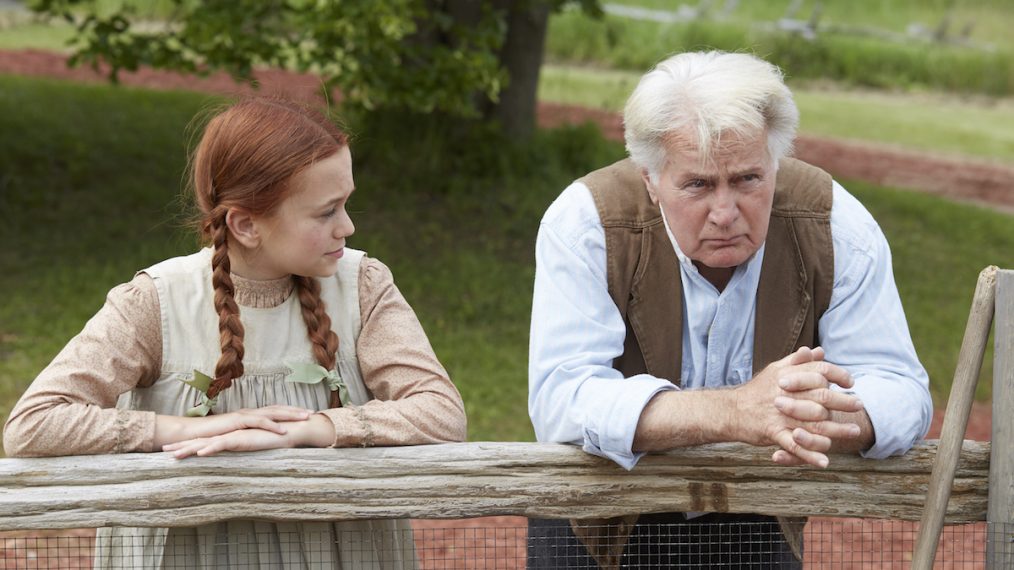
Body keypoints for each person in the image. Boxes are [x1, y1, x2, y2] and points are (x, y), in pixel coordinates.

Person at [3, 97, 467, 569]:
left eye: (346, 204)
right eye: (327, 211)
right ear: (246, 224)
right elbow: (35, 424)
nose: (346, 226)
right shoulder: (154, 302)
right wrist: (187, 429)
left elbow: (441, 412)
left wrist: (309, 431)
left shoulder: (364, 285)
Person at [527, 51, 932, 568]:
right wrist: (738, 412)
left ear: (774, 163)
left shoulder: (836, 226)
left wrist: (818, 411)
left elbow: (901, 387)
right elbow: (562, 401)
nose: (724, 212)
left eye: (747, 180)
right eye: (697, 184)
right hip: (593, 523)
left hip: (759, 518)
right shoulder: (586, 223)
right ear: (650, 178)